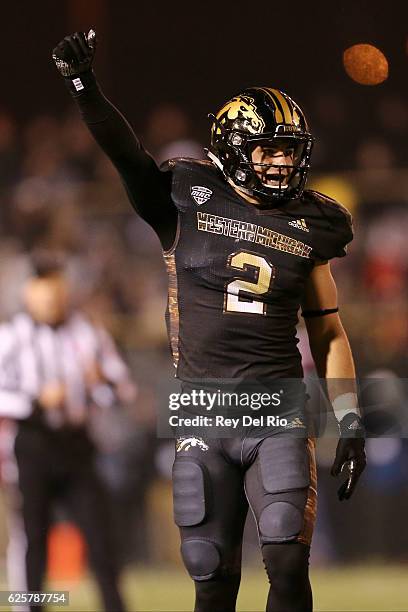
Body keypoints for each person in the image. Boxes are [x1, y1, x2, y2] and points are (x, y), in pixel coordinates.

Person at [52, 30, 366, 612]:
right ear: (233, 148)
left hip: (276, 408)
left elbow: (326, 328)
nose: (282, 162)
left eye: (289, 150)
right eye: (269, 149)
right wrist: (84, 86)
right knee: (210, 573)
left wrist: (349, 419)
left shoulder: (313, 223)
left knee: (287, 558)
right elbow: (123, 151)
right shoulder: (184, 195)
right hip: (203, 407)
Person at [0, 257, 136, 612]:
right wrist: (34, 400)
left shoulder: (88, 332)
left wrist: (100, 382)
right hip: (32, 445)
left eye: (56, 290)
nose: (51, 299)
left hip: (77, 445)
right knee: (34, 539)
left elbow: (123, 388)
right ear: (29, 293)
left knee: (100, 537)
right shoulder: (12, 335)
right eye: (44, 291)